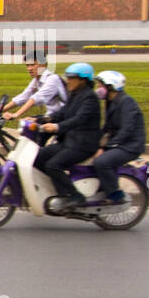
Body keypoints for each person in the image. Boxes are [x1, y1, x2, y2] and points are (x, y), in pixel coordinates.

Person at [35, 63, 101, 210]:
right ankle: (60, 189)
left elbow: (78, 119)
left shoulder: (90, 98)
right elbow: (62, 113)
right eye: (67, 77)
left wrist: (57, 127)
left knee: (53, 165)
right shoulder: (75, 95)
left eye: (71, 78)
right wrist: (40, 119)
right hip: (69, 141)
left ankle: (75, 195)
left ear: (83, 80)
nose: (68, 81)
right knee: (37, 157)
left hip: (83, 145)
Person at [93, 70, 146, 204]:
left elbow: (126, 130)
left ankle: (116, 195)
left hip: (130, 146)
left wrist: (106, 147)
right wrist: (95, 142)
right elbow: (107, 128)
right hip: (119, 144)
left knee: (101, 162)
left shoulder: (126, 102)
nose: (98, 89)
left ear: (110, 87)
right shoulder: (110, 102)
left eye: (100, 86)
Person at [3, 54, 66, 120]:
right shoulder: (36, 80)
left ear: (43, 65)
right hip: (52, 116)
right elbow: (23, 97)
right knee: (28, 124)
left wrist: (16, 114)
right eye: (27, 65)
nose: (29, 69)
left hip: (64, 117)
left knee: (30, 124)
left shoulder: (52, 79)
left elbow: (36, 98)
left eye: (33, 65)